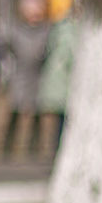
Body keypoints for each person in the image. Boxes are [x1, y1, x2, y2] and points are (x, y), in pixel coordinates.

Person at [0, 0, 52, 157]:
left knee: (37, 113)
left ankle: (34, 148)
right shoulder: (15, 30)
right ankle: (7, 148)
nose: (34, 15)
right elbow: (5, 48)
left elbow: (49, 51)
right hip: (20, 76)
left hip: (38, 76)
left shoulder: (46, 30)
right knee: (15, 111)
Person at [35, 9, 75, 155]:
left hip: (55, 85)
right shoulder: (70, 32)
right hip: (63, 86)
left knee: (51, 122)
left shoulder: (56, 30)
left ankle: (47, 151)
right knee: (58, 123)